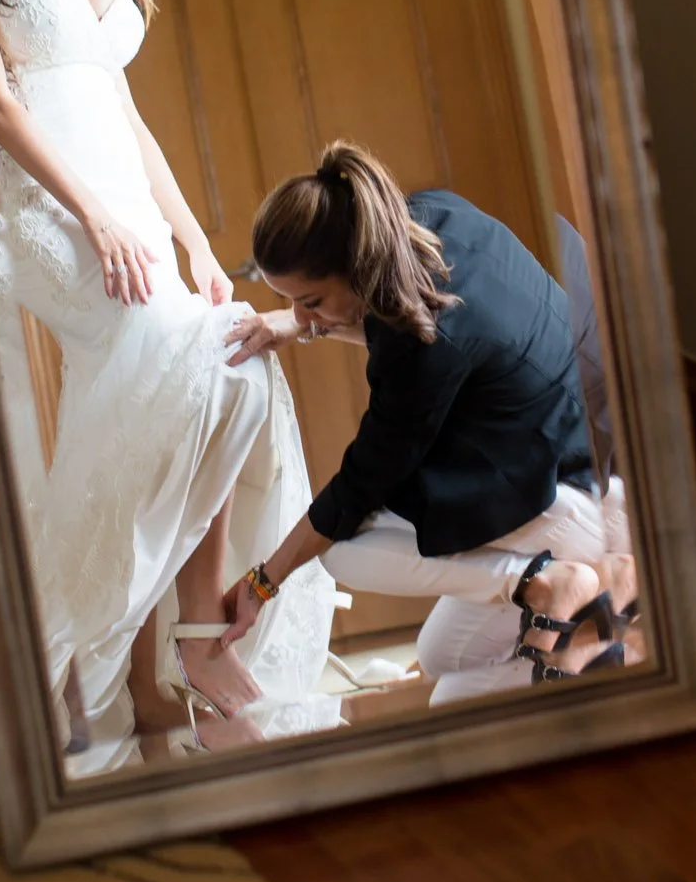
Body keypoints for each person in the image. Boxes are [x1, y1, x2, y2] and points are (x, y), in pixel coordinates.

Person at [0, 0, 340, 763]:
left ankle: (193, 636)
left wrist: (193, 238)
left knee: (235, 365)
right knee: (217, 363)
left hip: (130, 210)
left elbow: (125, 115)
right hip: (58, 215)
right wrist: (90, 218)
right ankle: (113, 649)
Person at [221, 142, 637, 686]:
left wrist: (261, 584)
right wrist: (300, 324)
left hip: (569, 499)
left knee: (342, 552)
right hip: (579, 457)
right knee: (443, 658)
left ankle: (565, 588)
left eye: (311, 301)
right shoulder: (430, 215)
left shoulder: (422, 346)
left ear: (355, 267)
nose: (298, 313)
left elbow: (358, 486)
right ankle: (579, 607)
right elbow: (415, 326)